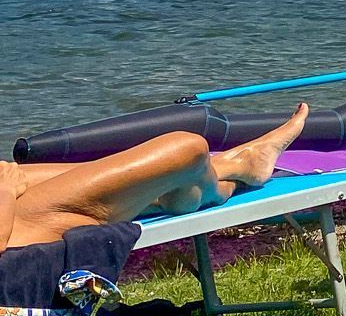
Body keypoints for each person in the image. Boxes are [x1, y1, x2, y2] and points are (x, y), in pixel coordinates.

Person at [0, 104, 309, 255]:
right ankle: (226, 175)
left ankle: (223, 170)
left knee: (122, 173)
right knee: (186, 149)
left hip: (15, 216)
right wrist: (6, 190)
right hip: (16, 229)